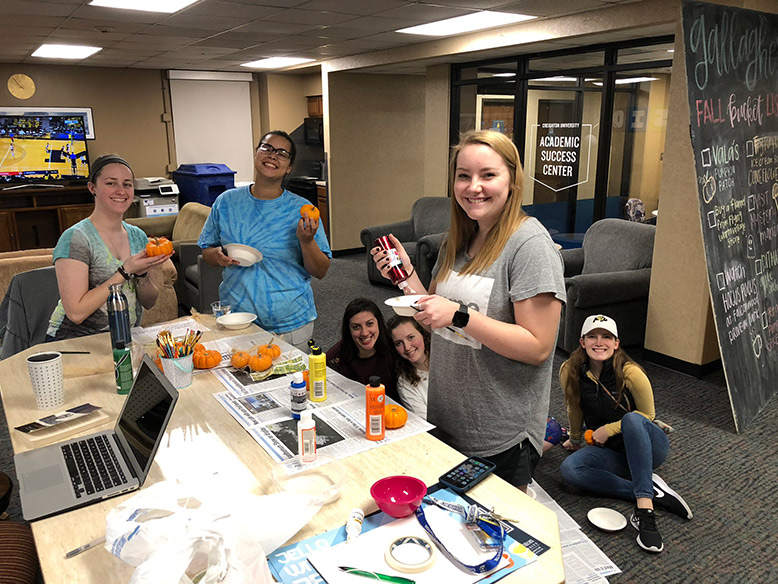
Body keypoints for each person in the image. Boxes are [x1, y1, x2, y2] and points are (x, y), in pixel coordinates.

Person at [372, 130, 565, 492]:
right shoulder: (457, 238)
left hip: (499, 429)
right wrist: (405, 276)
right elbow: (433, 318)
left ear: (512, 179)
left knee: (491, 529)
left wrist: (461, 314)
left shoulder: (530, 246)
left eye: (487, 175)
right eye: (464, 175)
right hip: (448, 416)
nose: (473, 186)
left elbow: (538, 347)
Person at [559, 314, 692, 554]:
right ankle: (651, 490)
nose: (599, 342)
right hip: (611, 451)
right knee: (570, 470)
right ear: (582, 342)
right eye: (593, 336)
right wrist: (576, 438)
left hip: (648, 445)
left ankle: (644, 510)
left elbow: (647, 415)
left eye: (607, 337)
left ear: (617, 343)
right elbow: (574, 406)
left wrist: (608, 429)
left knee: (632, 418)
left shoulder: (631, 372)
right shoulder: (570, 370)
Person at [198, 130, 331, 351]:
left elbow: (321, 270)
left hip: (289, 323)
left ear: (289, 167)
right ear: (256, 153)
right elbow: (207, 250)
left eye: (282, 153)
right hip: (238, 320)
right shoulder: (226, 202)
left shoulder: (302, 210)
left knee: (294, 384)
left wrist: (306, 241)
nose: (272, 155)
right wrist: (218, 256)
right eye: (267, 148)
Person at [47, 154, 172, 340]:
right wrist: (125, 271)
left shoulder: (138, 236)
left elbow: (149, 302)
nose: (121, 191)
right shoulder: (76, 239)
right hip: (75, 341)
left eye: (127, 184)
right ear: (92, 188)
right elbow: (76, 313)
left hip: (123, 338)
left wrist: (141, 274)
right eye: (111, 183)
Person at [327, 298, 399, 401]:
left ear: (379, 323)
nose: (364, 333)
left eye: (369, 324)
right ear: (348, 330)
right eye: (356, 327)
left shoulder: (395, 348)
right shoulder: (335, 357)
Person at [386, 315, 430, 419]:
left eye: (410, 337)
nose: (407, 347)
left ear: (422, 334)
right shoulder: (405, 383)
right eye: (398, 343)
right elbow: (428, 423)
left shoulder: (445, 359)